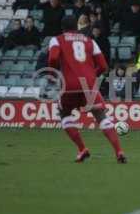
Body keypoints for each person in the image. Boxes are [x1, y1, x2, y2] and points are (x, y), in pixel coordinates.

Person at [48, 15, 127, 163]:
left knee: (64, 113)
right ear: (77, 27)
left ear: (62, 27)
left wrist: (53, 74)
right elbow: (104, 67)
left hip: (69, 84)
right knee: (101, 116)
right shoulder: (90, 41)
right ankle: (119, 151)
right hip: (89, 85)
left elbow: (52, 58)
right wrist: (91, 77)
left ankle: (82, 149)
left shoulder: (56, 40)